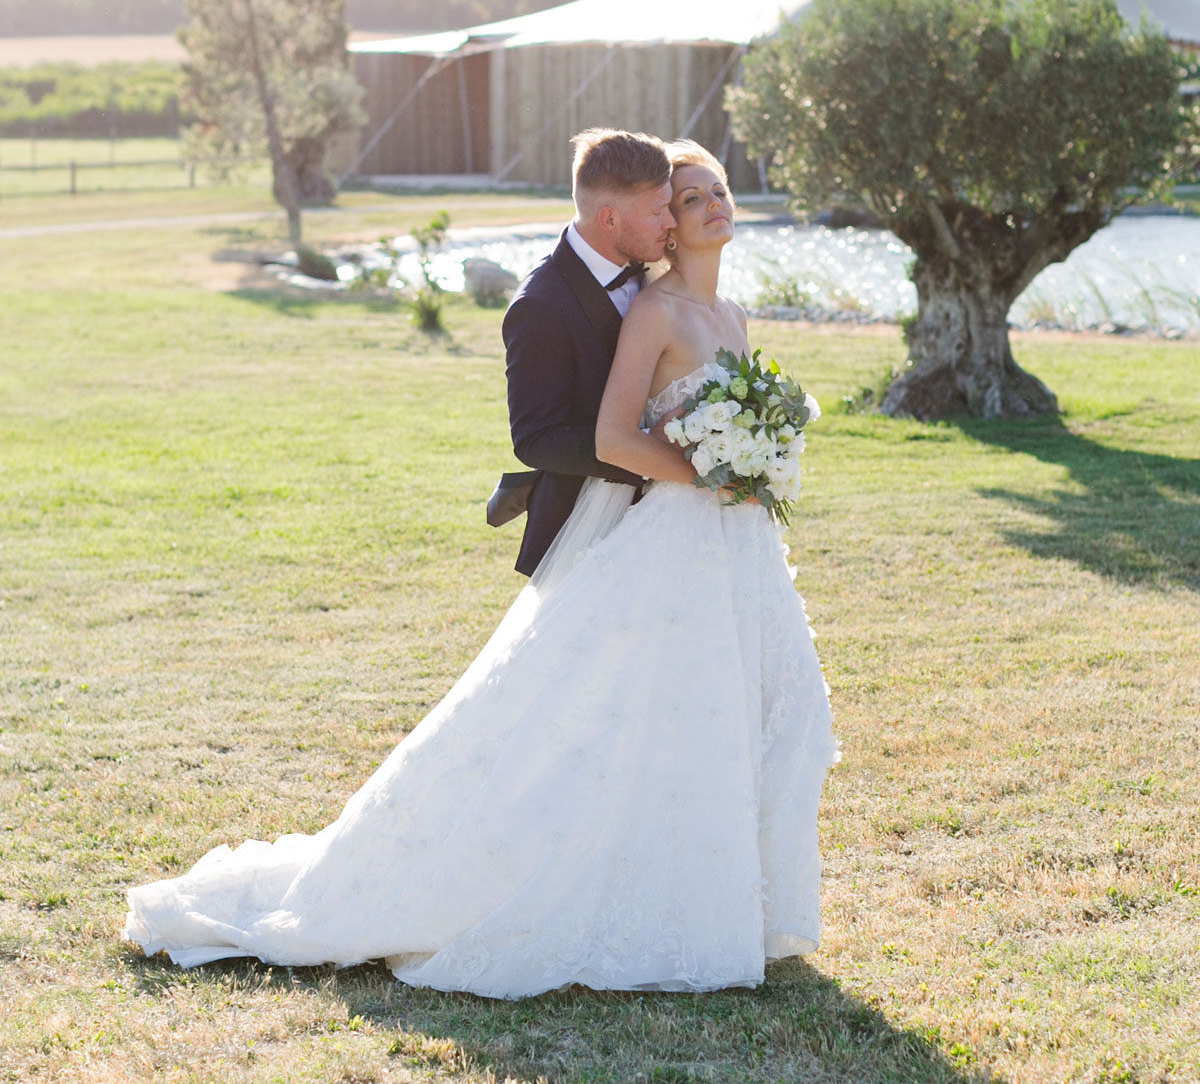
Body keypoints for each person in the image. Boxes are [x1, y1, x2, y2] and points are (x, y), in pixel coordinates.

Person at [123, 139, 836, 997]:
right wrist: (721, 469)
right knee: (611, 716)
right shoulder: (571, 303)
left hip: (727, 540)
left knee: (744, 709)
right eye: (683, 200)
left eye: (713, 191)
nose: (704, 206)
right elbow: (568, 436)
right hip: (658, 528)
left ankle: (729, 893)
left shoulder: (721, 310)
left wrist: (751, 463)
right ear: (641, 221)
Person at [495, 127, 676, 576]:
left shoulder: (657, 271)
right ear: (609, 219)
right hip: (587, 526)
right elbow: (535, 438)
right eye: (657, 212)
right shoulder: (539, 308)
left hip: (674, 518)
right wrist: (645, 454)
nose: (671, 222)